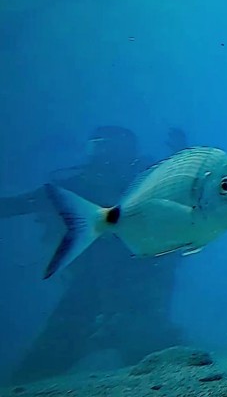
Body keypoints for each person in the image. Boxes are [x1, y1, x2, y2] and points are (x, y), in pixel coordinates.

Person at [2, 126, 187, 383]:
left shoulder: (151, 181)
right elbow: (16, 204)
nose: (103, 156)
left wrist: (184, 160)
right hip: (93, 287)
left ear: (129, 153)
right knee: (44, 362)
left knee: (158, 366)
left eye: (110, 148)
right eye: (97, 147)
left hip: (140, 288)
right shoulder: (77, 187)